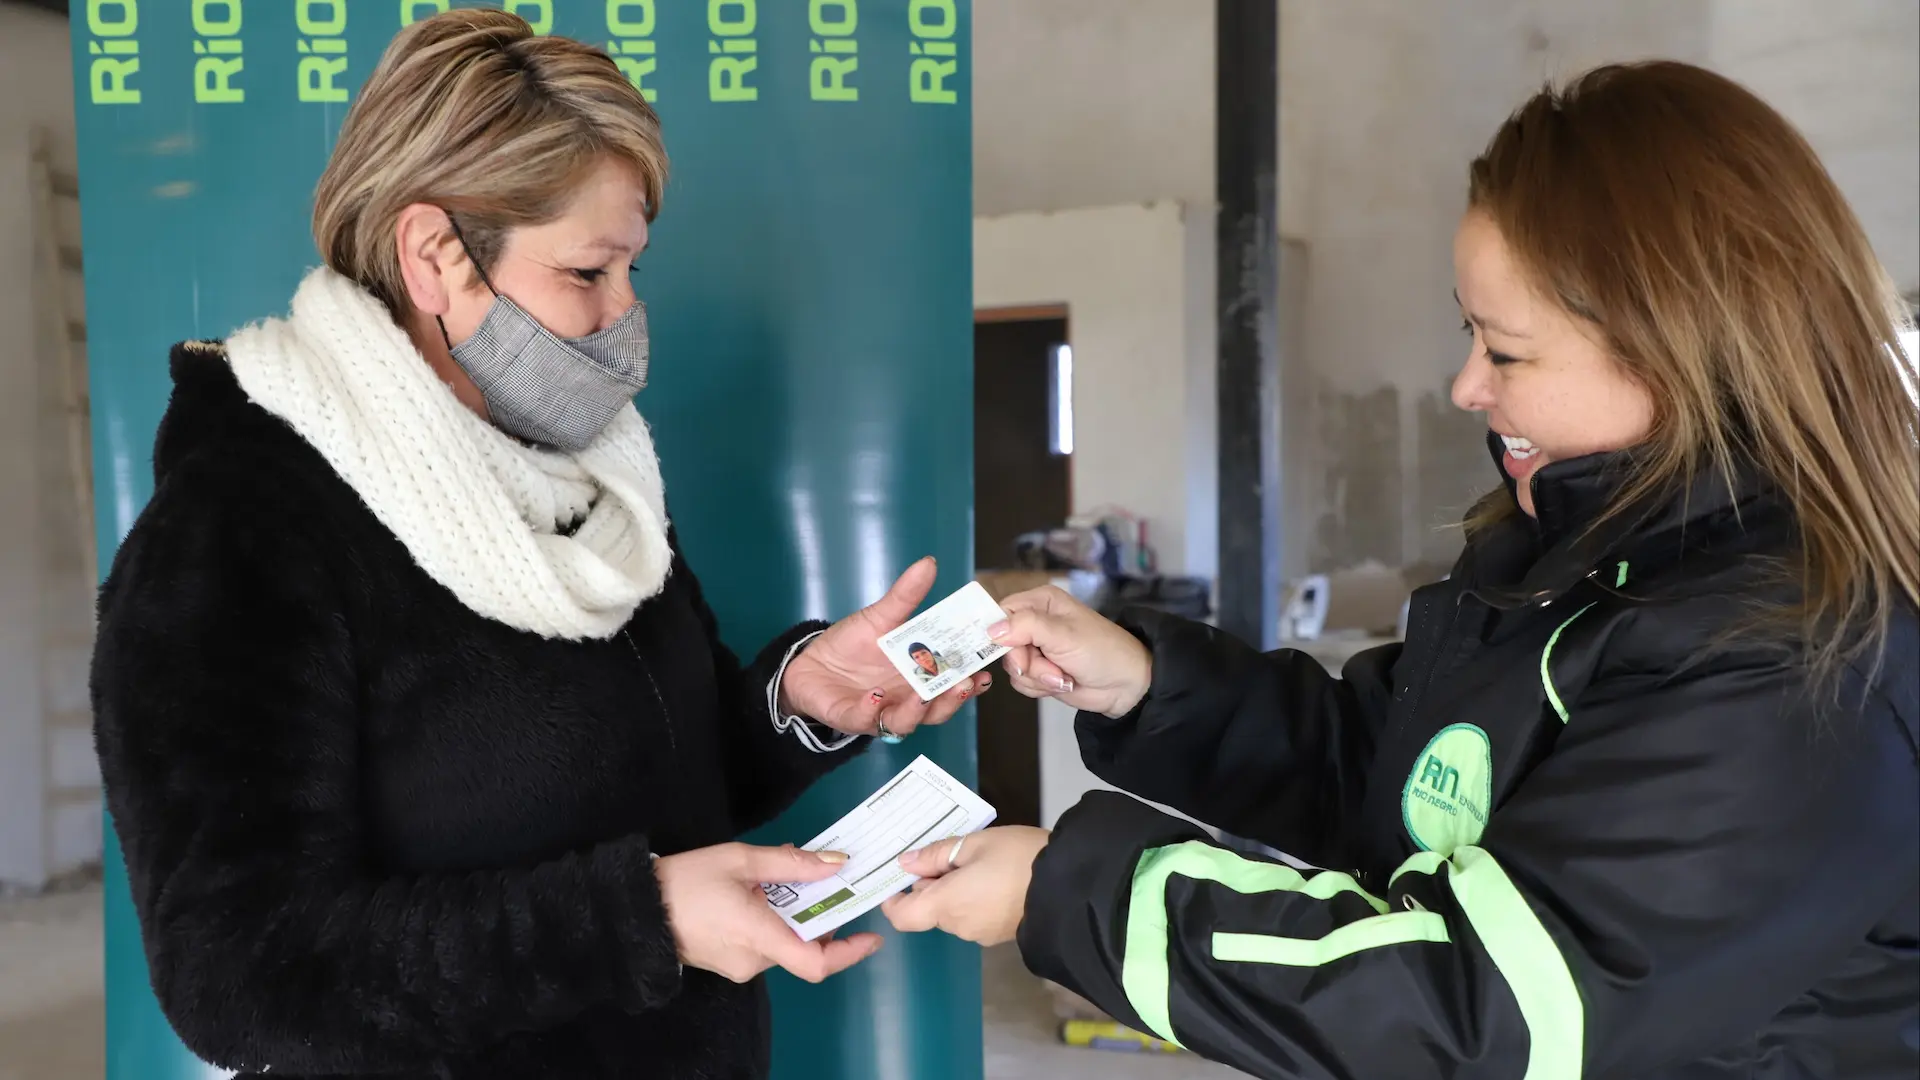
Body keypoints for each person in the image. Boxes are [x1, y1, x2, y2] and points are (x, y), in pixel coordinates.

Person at [884, 59, 1919, 1078]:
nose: (1466, 386)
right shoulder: (1568, 559)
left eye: (1505, 351)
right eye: (1469, 333)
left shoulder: (1791, 656)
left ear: (1683, 349)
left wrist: (1070, 895)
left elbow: (1483, 1006)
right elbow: (1400, 779)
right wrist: (1149, 686)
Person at [89, 12, 988, 1080]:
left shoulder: (597, 481)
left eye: (633, 271)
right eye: (588, 272)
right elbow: (242, 976)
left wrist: (799, 703)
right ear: (434, 255)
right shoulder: (238, 531)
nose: (625, 318)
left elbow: (666, 779)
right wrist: (638, 920)